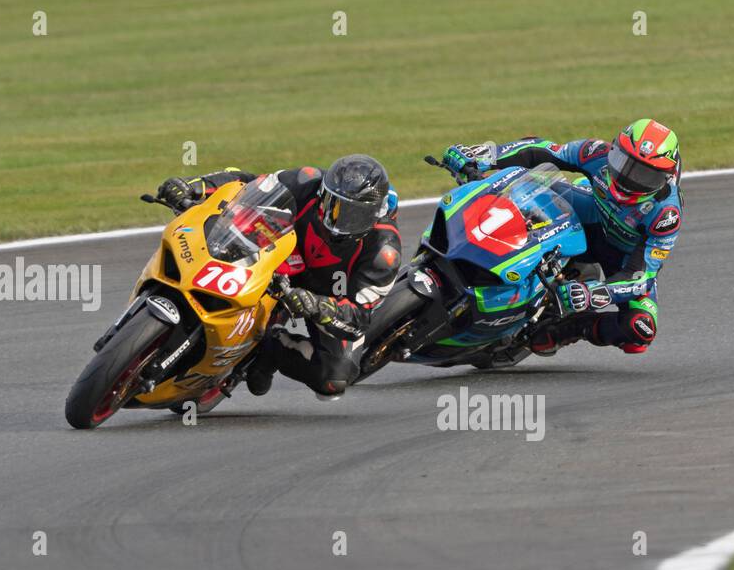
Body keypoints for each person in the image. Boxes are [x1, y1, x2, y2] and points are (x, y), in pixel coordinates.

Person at [155, 154, 402, 398]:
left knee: (335, 377)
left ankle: (272, 346)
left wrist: (318, 306)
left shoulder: (384, 251)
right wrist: (194, 186)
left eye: (352, 214)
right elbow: (246, 183)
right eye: (332, 204)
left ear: (373, 215)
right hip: (277, 255)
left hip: (323, 296)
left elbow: (358, 319)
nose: (336, 217)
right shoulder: (307, 180)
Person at [441, 118, 681, 356]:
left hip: (622, 259)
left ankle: (570, 329)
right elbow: (541, 150)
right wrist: (484, 156)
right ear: (614, 149)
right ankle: (476, 239)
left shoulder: (666, 214)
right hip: (585, 212)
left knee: (640, 331)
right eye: (623, 162)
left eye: (644, 175)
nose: (628, 178)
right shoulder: (596, 153)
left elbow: (642, 276)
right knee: (527, 182)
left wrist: (595, 292)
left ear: (665, 178)